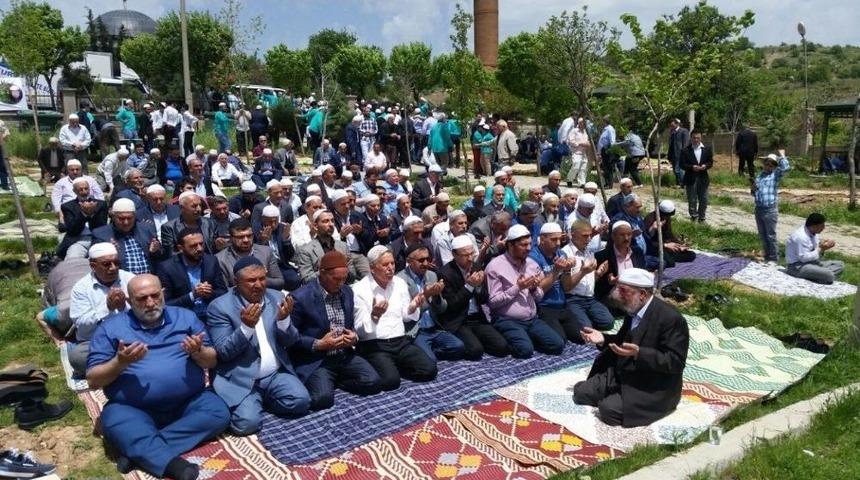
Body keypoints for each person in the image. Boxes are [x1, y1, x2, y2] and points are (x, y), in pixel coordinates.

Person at [86, 274, 229, 480]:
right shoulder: (111, 328)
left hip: (188, 402)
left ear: (163, 294)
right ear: (129, 301)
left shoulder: (186, 318)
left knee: (218, 413)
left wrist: (198, 352)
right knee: (115, 421)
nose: (150, 303)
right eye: (142, 298)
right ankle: (174, 465)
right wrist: (120, 363)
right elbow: (93, 380)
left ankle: (138, 451)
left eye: (155, 296)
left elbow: (211, 361)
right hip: (134, 408)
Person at [207, 256, 311, 435]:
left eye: (262, 279)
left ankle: (261, 400)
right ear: (236, 282)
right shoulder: (220, 307)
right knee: (247, 425)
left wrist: (284, 322)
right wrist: (246, 328)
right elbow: (224, 352)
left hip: (274, 375)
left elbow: (291, 341)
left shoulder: (277, 297)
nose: (258, 285)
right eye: (251, 280)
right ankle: (250, 402)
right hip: (241, 379)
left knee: (301, 401)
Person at [575, 268, 689, 427]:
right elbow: (622, 343)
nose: (617, 294)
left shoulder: (671, 319)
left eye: (623, 290)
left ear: (642, 294)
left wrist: (640, 354)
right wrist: (602, 339)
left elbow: (675, 362)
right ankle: (617, 393)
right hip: (623, 372)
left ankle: (629, 400)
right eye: (618, 288)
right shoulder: (633, 309)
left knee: (608, 410)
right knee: (580, 393)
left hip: (651, 383)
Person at [289, 251, 382, 410]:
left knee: (373, 382)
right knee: (322, 399)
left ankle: (334, 382)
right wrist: (319, 344)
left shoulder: (347, 292)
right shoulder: (300, 297)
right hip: (318, 360)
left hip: (343, 355)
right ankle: (326, 383)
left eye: (344, 279)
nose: (340, 283)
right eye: (336, 279)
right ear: (322, 273)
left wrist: (353, 337)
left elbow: (351, 325)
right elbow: (290, 338)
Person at [353, 246, 438, 390]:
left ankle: (395, 367)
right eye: (385, 265)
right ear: (372, 268)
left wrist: (413, 306)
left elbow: (406, 317)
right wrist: (374, 316)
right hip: (375, 345)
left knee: (429, 370)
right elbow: (359, 331)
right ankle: (387, 369)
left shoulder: (399, 283)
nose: (390, 268)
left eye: (392, 263)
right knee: (391, 382)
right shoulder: (359, 289)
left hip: (400, 342)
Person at [485, 225, 565, 358]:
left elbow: (538, 297)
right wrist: (518, 288)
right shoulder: (495, 267)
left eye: (529, 244)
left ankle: (526, 338)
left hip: (531, 319)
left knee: (557, 345)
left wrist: (533, 288)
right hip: (507, 320)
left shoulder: (531, 264)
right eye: (523, 245)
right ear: (510, 245)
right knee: (525, 351)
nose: (528, 248)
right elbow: (493, 302)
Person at [436, 236, 510, 359]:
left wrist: (478, 287)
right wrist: (469, 286)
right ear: (454, 254)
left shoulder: (475, 267)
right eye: (465, 255)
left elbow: (484, 299)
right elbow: (451, 305)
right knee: (475, 351)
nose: (470, 258)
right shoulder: (445, 273)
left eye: (472, 253)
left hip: (477, 318)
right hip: (459, 321)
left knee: (502, 347)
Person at [68, 243, 135, 377]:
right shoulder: (81, 288)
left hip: (131, 336)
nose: (113, 268)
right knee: (78, 357)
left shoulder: (130, 279)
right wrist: (107, 308)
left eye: (116, 263)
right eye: (106, 264)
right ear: (93, 266)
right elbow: (81, 323)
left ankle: (111, 368)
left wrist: (124, 307)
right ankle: (125, 364)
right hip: (97, 340)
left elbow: (145, 313)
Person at [157, 228, 227, 321]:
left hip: (212, 315)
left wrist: (211, 294)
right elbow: (165, 303)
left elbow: (223, 292)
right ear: (180, 248)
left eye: (201, 244)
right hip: (184, 318)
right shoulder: (167, 268)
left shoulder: (211, 261)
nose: (199, 249)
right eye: (193, 246)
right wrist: (192, 296)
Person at [561, 221, 614, 341]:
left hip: (590, 299)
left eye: (590, 235)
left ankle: (582, 319)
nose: (589, 239)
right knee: (587, 329)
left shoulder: (589, 253)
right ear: (573, 235)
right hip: (573, 299)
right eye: (585, 236)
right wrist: (583, 272)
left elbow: (589, 280)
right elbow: (566, 287)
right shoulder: (566, 254)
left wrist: (599, 274)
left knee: (608, 322)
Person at [529, 222, 578, 342]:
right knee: (560, 340)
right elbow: (538, 291)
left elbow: (566, 287)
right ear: (542, 239)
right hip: (544, 307)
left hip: (562, 304)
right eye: (554, 239)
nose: (558, 243)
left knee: (579, 336)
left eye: (560, 239)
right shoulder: (533, 258)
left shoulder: (561, 254)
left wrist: (567, 270)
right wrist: (556, 271)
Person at [92, 198, 162, 274]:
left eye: (129, 218)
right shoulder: (101, 234)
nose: (126, 222)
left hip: (148, 277)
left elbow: (160, 257)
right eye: (121, 219)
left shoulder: (146, 229)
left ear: (135, 216)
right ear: (113, 217)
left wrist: (155, 251)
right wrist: (109, 254)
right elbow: (96, 263)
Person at [216, 218, 285, 290]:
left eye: (249, 236)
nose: (246, 240)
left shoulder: (266, 252)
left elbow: (279, 282)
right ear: (231, 238)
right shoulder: (220, 260)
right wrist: (247, 281)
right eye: (240, 237)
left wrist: (262, 278)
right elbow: (223, 290)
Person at [295, 209, 360, 284]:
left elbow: (352, 276)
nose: (331, 224)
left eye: (332, 221)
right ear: (315, 226)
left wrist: (343, 267)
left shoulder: (343, 246)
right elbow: (307, 280)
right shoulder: (306, 250)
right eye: (325, 221)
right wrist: (329, 268)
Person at [752, 151, 791, 264]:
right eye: (767, 164)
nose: (768, 166)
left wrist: (782, 156)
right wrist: (753, 189)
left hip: (770, 210)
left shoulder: (775, 175)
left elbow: (786, 169)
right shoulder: (759, 176)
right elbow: (754, 193)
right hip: (759, 209)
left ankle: (774, 258)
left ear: (774, 166)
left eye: (771, 165)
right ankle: (767, 255)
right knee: (763, 235)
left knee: (770, 235)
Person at [785, 213, 845, 284]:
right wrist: (821, 248)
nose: (824, 228)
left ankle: (818, 275)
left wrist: (822, 247)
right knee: (829, 275)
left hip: (811, 263)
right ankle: (823, 275)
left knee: (840, 264)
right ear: (814, 226)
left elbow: (816, 253)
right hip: (797, 266)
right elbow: (803, 258)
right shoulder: (800, 237)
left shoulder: (814, 233)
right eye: (822, 226)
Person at [57, 178, 108, 259]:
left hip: (97, 239)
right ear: (74, 191)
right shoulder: (68, 206)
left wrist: (92, 214)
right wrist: (84, 214)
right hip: (78, 240)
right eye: (80, 189)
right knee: (72, 260)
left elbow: (102, 226)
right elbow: (72, 230)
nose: (84, 192)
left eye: (86, 189)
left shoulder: (100, 204)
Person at [594, 221, 646, 301]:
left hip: (636, 295)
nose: (626, 238)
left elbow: (642, 274)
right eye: (622, 235)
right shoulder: (602, 256)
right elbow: (597, 286)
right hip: (614, 297)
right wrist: (610, 283)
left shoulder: (637, 253)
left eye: (629, 234)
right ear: (613, 236)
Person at [160, 192, 216, 256]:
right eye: (194, 206)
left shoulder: (210, 223)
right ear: (181, 208)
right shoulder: (169, 228)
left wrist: (219, 245)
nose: (199, 209)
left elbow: (214, 248)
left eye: (200, 205)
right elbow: (170, 254)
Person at [644, 200, 696, 268]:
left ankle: (668, 256)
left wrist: (679, 245)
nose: (668, 217)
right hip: (654, 247)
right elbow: (647, 241)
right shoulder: (649, 219)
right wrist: (665, 245)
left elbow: (669, 235)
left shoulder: (666, 218)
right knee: (670, 263)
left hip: (665, 246)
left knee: (691, 255)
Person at [680, 132, 713, 223]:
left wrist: (705, 166)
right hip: (690, 178)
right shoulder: (685, 150)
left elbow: (710, 162)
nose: (696, 140)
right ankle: (694, 216)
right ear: (691, 138)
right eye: (694, 138)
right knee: (692, 199)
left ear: (701, 138)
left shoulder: (707, 149)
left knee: (704, 199)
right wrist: (692, 167)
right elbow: (682, 164)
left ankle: (702, 217)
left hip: (703, 178)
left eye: (698, 138)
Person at [566, 118, 590, 188]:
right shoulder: (574, 131)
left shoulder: (585, 132)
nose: (584, 124)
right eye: (583, 122)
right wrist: (580, 143)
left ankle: (581, 183)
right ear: (579, 123)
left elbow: (587, 141)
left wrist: (588, 144)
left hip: (584, 152)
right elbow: (571, 141)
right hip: (576, 152)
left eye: (585, 123)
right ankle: (569, 179)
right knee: (576, 166)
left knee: (583, 168)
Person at [668, 119, 690, 187]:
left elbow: (686, 143)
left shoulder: (683, 131)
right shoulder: (672, 132)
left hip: (680, 154)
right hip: (673, 154)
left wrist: (684, 153)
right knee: (675, 170)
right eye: (671, 125)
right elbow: (671, 144)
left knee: (679, 170)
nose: (671, 126)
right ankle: (678, 183)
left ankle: (683, 184)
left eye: (673, 125)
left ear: (677, 124)